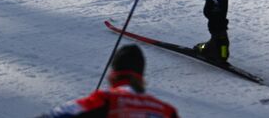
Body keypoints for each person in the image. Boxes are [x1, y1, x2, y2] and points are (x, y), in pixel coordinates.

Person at [36, 44, 179, 117]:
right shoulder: (165, 111)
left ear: (113, 75)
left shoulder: (105, 100)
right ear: (141, 77)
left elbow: (56, 115)